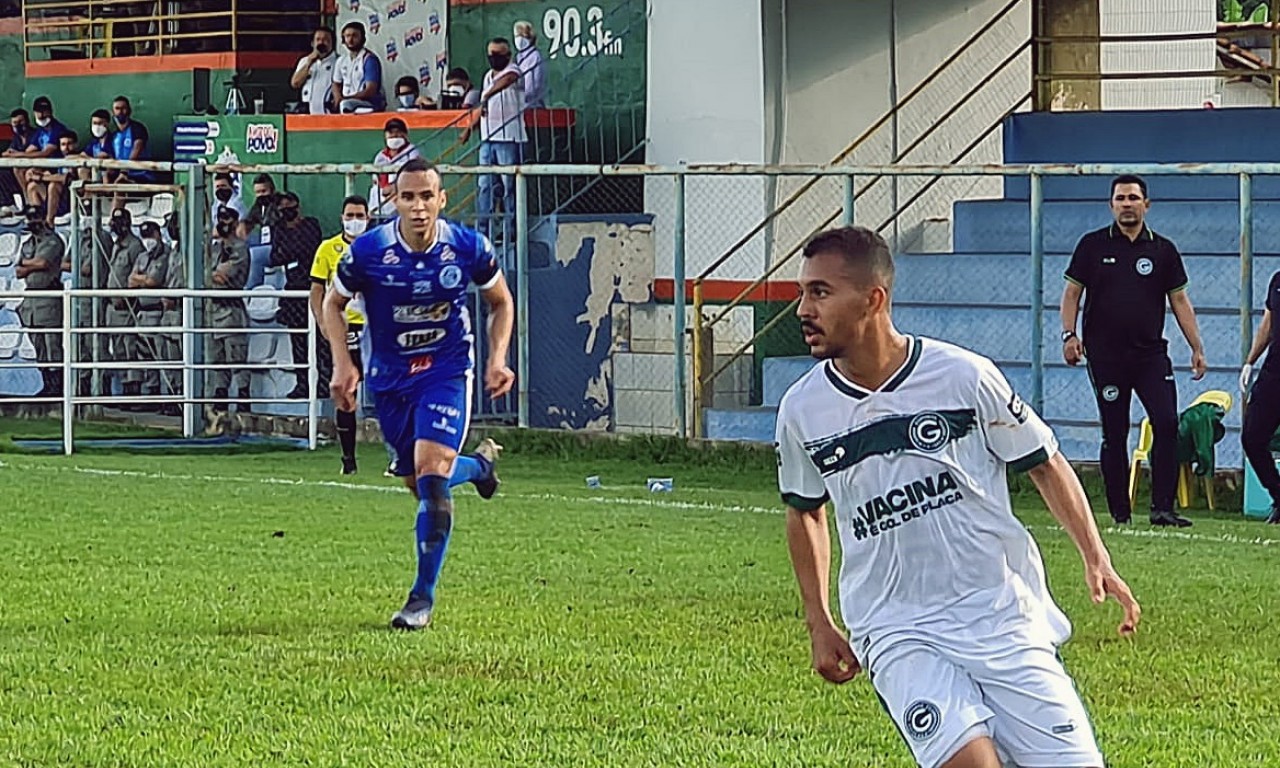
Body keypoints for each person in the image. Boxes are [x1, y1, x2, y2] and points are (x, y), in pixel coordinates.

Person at [779, 226, 1140, 768]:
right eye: (803, 292)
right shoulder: (802, 409)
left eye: (820, 292)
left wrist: (1096, 556)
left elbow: (1044, 462)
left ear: (873, 299)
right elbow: (805, 511)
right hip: (897, 626)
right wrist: (819, 620)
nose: (803, 309)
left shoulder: (963, 376)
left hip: (1000, 616)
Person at [323, 158, 512, 630]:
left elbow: (501, 301)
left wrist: (497, 358)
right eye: (408, 197)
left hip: (446, 371)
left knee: (431, 472)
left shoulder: (467, 247)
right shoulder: (369, 251)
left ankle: (420, 600)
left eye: (427, 196)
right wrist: (343, 363)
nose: (419, 206)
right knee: (417, 481)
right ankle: (479, 467)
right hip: (390, 380)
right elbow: (332, 303)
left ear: (441, 199)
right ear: (395, 201)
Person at [1061, 174, 1206, 528]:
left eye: (1133, 198)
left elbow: (1180, 300)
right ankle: (1120, 512)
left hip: (1150, 355)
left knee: (1167, 423)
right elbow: (1072, 294)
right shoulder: (1092, 245)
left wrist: (1196, 347)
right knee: (1115, 432)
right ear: (1111, 205)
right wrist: (1069, 335)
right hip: (1105, 356)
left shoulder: (1163, 250)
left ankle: (1162, 509)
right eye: (1121, 198)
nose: (1127, 204)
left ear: (1146, 204)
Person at [310, 195, 370, 474]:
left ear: (368, 218)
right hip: (345, 327)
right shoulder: (328, 248)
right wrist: (324, 323)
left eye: (359, 216)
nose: (354, 221)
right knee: (347, 391)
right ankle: (348, 459)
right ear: (342, 218)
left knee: (392, 390)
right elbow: (316, 290)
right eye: (350, 216)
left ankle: (399, 456)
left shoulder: (379, 248)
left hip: (375, 327)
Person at [460, 38, 527, 243]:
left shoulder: (514, 70)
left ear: (508, 55)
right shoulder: (487, 76)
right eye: (491, 54)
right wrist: (470, 128)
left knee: (510, 187)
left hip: (509, 138)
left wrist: (488, 93)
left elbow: (507, 80)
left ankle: (512, 230)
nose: (494, 58)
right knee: (485, 186)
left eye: (499, 54)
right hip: (488, 138)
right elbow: (483, 107)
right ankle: (484, 231)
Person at [1240, 271, 1280, 524]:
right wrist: (1250, 361)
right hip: (1274, 372)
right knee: (1252, 437)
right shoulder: (1277, 280)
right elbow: (1268, 323)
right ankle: (1278, 495)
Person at [15, 206, 66, 398]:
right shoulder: (28, 243)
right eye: (29, 218)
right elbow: (18, 270)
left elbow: (44, 263)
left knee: (53, 344)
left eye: (35, 218)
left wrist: (28, 264)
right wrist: (32, 264)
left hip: (48, 297)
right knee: (38, 345)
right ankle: (47, 384)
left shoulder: (53, 240)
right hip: (32, 299)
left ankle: (58, 386)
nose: (31, 222)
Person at [206, 206, 250, 419]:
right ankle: (220, 397)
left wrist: (211, 275)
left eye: (227, 219)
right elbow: (207, 274)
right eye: (220, 218)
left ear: (235, 222)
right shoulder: (215, 248)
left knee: (236, 358)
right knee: (217, 358)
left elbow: (225, 275)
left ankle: (243, 398)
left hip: (231, 309)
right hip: (213, 310)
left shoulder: (239, 248)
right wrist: (211, 275)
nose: (223, 223)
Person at [370, 117, 421, 219]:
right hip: (382, 196)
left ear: (405, 134)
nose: (394, 135)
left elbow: (414, 176)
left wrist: (394, 187)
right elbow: (376, 180)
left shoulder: (412, 152)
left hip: (402, 193)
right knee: (374, 191)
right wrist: (384, 187)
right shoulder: (381, 156)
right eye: (391, 133)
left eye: (398, 132)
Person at [331, 21, 386, 114]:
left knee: (346, 104)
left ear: (363, 38)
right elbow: (336, 83)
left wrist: (344, 99)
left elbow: (370, 91)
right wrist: (337, 98)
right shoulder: (341, 60)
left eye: (355, 36)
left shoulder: (369, 59)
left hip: (368, 104)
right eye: (347, 36)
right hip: (346, 102)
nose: (350, 39)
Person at [291, 27, 337, 115]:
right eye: (318, 39)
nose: (321, 42)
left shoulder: (338, 61)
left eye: (325, 40)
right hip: (306, 108)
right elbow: (295, 83)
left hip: (328, 108)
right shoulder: (305, 60)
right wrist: (309, 64)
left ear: (332, 43)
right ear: (312, 43)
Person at [513, 21, 546, 109]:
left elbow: (532, 87)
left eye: (523, 36)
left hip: (532, 106)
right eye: (517, 36)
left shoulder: (535, 57)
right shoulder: (518, 57)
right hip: (518, 106)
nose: (519, 39)